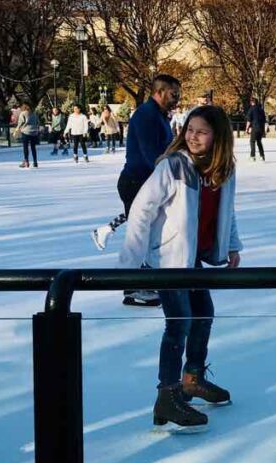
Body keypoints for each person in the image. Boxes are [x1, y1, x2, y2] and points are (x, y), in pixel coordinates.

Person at [119, 105, 241, 432]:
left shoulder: (222, 170)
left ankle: (192, 379)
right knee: (179, 325)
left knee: (203, 314)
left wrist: (232, 244)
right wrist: (131, 267)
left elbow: (228, 212)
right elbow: (141, 211)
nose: (193, 136)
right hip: (170, 260)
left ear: (218, 137)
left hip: (193, 260)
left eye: (201, 131)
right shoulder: (173, 167)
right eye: (190, 129)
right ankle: (167, 395)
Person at [91, 74, 181, 308]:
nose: (177, 99)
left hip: (147, 182)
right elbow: (153, 155)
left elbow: (164, 151)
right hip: (137, 183)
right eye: (174, 94)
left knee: (150, 232)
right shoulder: (146, 115)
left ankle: (142, 280)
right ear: (159, 92)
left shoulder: (158, 115)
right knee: (140, 234)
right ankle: (133, 286)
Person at [15, 103, 40, 169]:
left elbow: (20, 123)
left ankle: (26, 161)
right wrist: (37, 129)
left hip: (26, 132)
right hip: (34, 132)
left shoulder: (23, 113)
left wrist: (16, 130)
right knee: (33, 147)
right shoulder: (34, 114)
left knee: (25, 147)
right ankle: (35, 162)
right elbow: (38, 122)